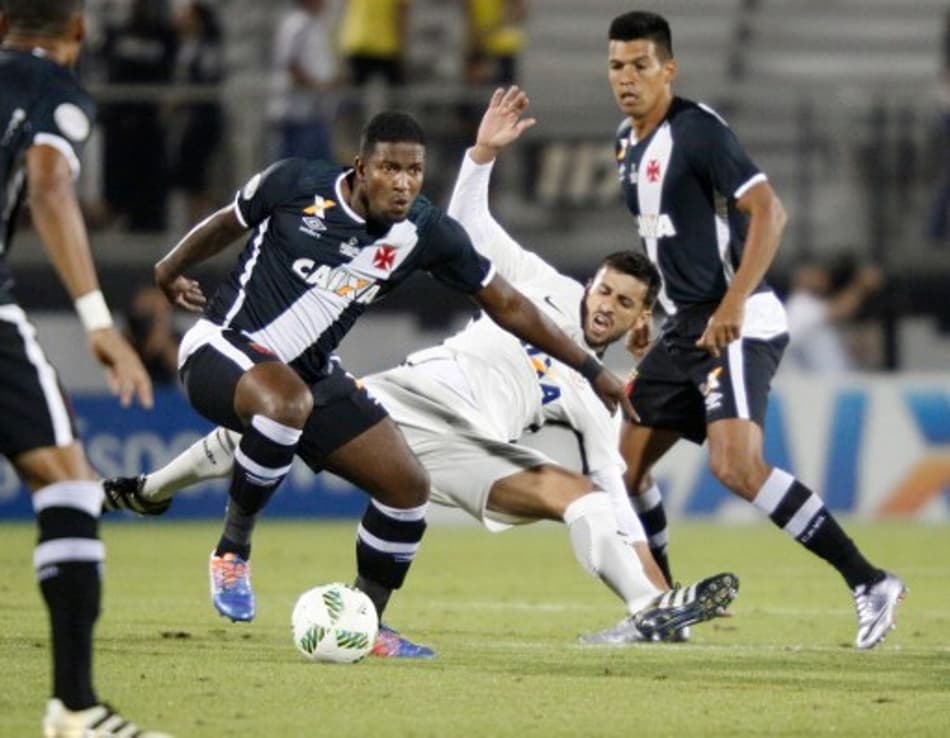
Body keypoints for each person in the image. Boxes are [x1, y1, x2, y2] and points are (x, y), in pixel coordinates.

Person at [103, 87, 740, 648]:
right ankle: (189, 518)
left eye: (625, 304)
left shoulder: (585, 393)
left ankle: (646, 609)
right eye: (605, 290)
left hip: (463, 444)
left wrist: (660, 581)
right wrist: (482, 155)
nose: (606, 305)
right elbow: (480, 242)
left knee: (528, 497)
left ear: (641, 320)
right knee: (278, 409)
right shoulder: (539, 283)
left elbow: (618, 496)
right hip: (392, 387)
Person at [603, 10, 905, 650]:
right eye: (616, 67)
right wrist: (648, 313)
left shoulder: (698, 131)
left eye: (640, 66)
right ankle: (665, 612)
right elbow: (661, 242)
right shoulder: (626, 144)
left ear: (668, 69)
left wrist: (735, 300)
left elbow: (771, 211)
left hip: (735, 320)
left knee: (737, 467)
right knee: (617, 471)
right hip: (682, 326)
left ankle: (870, 580)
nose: (626, 78)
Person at [0, 1, 169, 736]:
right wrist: (100, 322)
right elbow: (48, 182)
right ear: (78, 31)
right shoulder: (52, 89)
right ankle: (74, 707)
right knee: (69, 482)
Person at [170, 0, 226, 225]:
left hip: (203, 120)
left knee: (201, 177)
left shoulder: (208, 47)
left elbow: (206, 80)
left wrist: (181, 100)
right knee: (189, 178)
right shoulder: (184, 45)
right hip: (189, 121)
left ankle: (202, 222)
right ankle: (191, 222)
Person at [783, 254, 884, 372]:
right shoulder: (800, 304)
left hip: (830, 378)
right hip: (816, 381)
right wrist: (861, 285)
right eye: (815, 273)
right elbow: (841, 309)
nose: (822, 277)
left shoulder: (814, 303)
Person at [268, 0, 339, 162]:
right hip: (297, 112)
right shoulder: (297, 25)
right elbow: (291, 64)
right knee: (293, 166)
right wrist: (318, 86)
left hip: (314, 111)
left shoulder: (315, 25)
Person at [124, 285, 182, 385]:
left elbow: (176, 364)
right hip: (135, 386)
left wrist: (161, 322)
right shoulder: (131, 333)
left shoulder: (174, 334)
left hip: (165, 388)